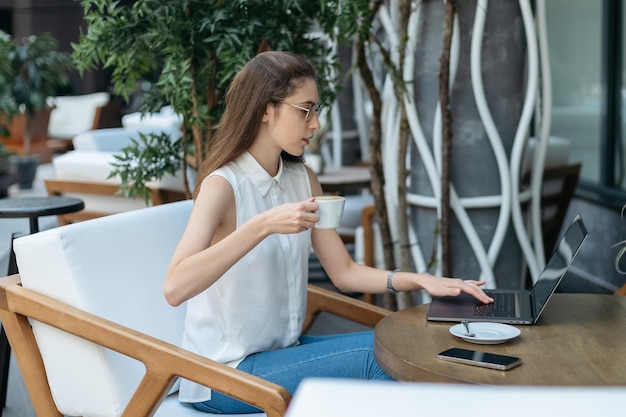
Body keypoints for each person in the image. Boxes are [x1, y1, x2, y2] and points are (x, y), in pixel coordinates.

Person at [163, 50, 493, 414]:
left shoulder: (301, 179)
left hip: (280, 357)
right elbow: (175, 287)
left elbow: (344, 272)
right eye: (305, 110)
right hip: (222, 373)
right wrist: (262, 225)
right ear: (265, 111)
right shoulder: (223, 186)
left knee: (401, 350)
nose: (316, 123)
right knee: (380, 358)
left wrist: (422, 280)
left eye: (316, 110)